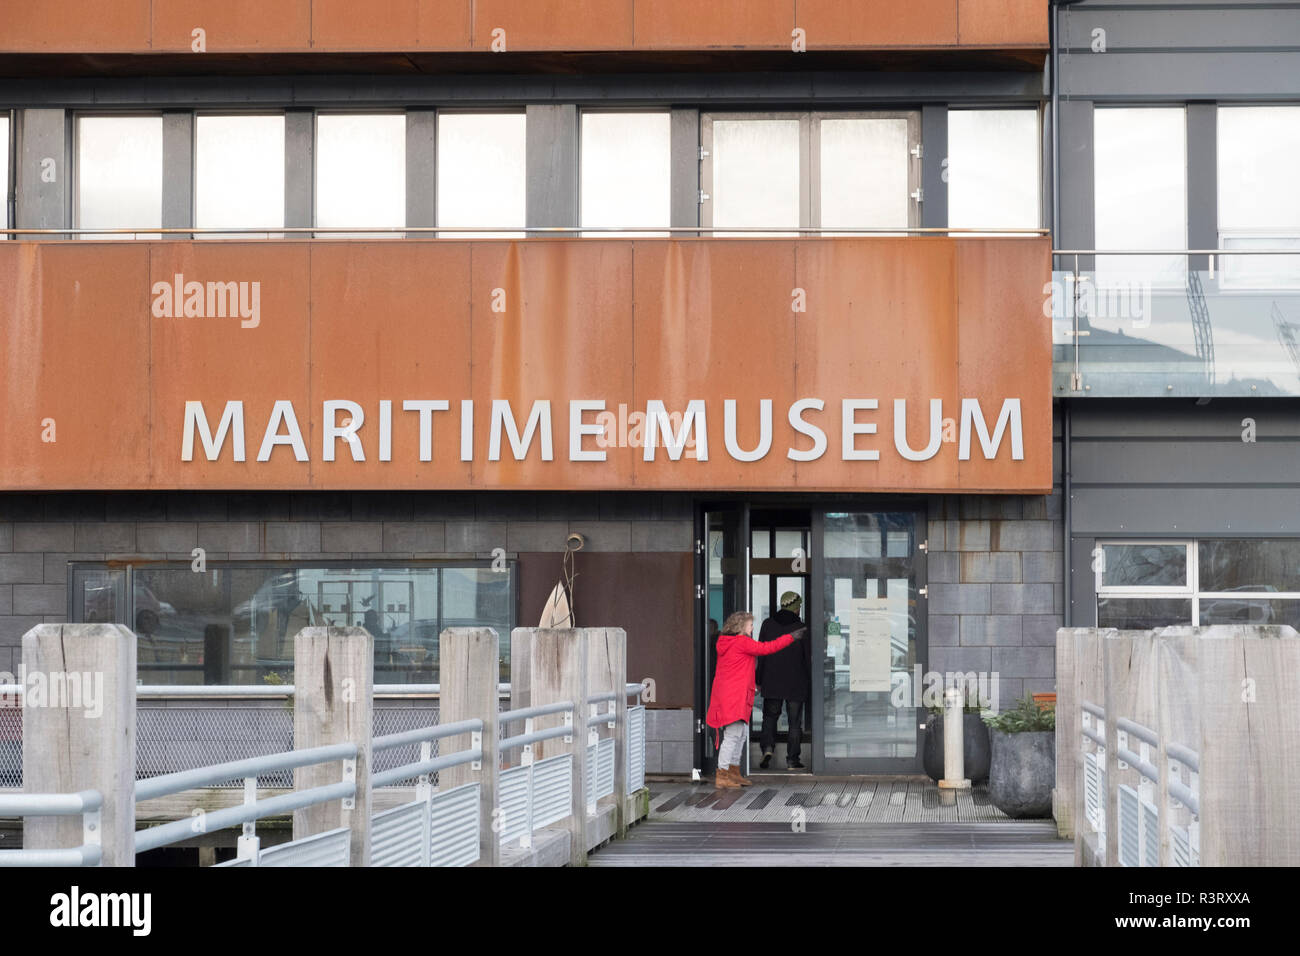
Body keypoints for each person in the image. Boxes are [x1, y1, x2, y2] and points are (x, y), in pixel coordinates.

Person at [705, 610, 807, 789]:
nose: (753, 629)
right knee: (733, 735)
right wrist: (790, 637)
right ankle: (722, 774)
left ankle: (733, 772)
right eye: (750, 625)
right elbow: (767, 648)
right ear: (741, 626)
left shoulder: (726, 642)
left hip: (730, 695)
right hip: (734, 696)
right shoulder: (741, 642)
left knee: (741, 734)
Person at [756, 591, 812, 769]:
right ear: (796, 608)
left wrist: (759, 678)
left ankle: (767, 748)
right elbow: (807, 658)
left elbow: (761, 653)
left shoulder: (767, 625)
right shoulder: (801, 628)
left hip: (772, 680)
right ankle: (792, 760)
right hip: (796, 682)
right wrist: (810, 681)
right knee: (794, 722)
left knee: (770, 717)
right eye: (799, 606)